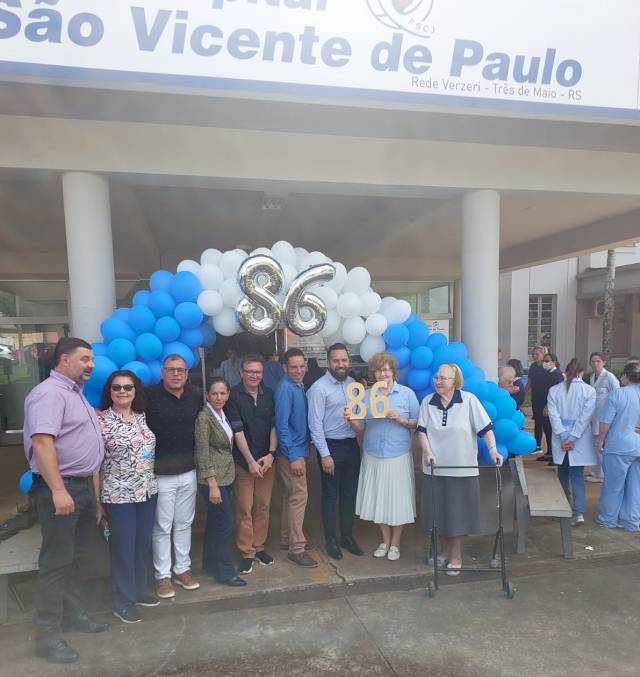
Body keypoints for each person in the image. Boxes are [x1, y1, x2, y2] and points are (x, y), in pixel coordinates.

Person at [23, 337, 108, 664]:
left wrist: (93, 497)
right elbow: (43, 443)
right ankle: (47, 637)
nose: (91, 365)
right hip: (61, 488)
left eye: (92, 360)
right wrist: (59, 490)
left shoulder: (74, 394)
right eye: (85, 359)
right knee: (56, 563)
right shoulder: (48, 394)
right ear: (63, 359)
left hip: (83, 488)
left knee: (75, 558)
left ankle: (73, 616)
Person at [417, 363, 501, 576]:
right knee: (439, 513)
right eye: (437, 377)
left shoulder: (469, 400)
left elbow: (486, 429)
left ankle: (456, 554)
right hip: (435, 469)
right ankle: (444, 549)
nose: (438, 381)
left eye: (443, 378)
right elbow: (422, 432)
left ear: (455, 382)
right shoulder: (427, 402)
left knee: (457, 515)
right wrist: (427, 452)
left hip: (461, 469)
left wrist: (493, 450)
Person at [98, 370, 159, 623]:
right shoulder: (101, 422)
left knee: (142, 544)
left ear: (135, 391)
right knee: (123, 548)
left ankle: (139, 590)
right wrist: (98, 503)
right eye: (116, 388)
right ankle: (122, 601)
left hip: (146, 492)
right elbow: (96, 465)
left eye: (127, 387)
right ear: (109, 392)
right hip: (117, 495)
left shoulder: (141, 418)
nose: (122, 391)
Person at [348, 352, 419, 561]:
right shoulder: (366, 395)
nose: (381, 374)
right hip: (373, 454)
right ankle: (385, 540)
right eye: (378, 370)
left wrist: (401, 419)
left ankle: (395, 543)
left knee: (398, 500)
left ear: (393, 372)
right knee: (379, 499)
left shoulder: (407, 394)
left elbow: (418, 424)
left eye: (386, 370)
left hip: (397, 454)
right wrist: (350, 420)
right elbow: (360, 428)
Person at [146, 354, 202, 600]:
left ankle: (182, 569)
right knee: (162, 527)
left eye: (180, 370)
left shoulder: (196, 396)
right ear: (162, 372)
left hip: (188, 470)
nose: (176, 374)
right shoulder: (149, 397)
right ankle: (162, 576)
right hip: (161, 473)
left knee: (184, 523)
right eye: (171, 370)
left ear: (187, 374)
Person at [308, 343, 364, 560]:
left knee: (349, 494)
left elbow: (360, 417)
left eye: (344, 360)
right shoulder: (318, 388)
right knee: (331, 496)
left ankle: (347, 537)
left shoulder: (354, 386)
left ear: (348, 362)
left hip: (351, 446)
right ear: (328, 362)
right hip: (330, 447)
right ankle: (331, 540)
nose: (340, 365)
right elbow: (315, 424)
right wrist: (325, 455)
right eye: (336, 361)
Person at [225, 354, 278, 574]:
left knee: (263, 506)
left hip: (266, 460)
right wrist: (249, 461)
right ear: (241, 373)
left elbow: (274, 426)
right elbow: (237, 431)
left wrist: (271, 455)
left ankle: (259, 546)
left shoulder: (269, 394)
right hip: (243, 461)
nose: (254, 376)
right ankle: (247, 552)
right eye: (250, 372)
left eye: (258, 372)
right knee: (244, 508)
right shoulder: (233, 396)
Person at [194, 378, 246, 587]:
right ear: (207, 395)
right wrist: (212, 483)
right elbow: (202, 451)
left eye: (223, 393)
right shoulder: (204, 417)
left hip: (226, 475)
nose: (219, 397)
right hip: (212, 480)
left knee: (216, 523)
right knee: (225, 524)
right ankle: (225, 572)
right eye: (214, 393)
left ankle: (210, 564)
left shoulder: (222, 414)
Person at [274, 348, 317, 568]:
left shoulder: (298, 386)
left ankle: (286, 538)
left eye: (302, 366)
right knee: (299, 497)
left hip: (298, 450)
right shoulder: (285, 389)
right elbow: (281, 426)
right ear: (285, 368)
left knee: (290, 496)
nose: (299, 370)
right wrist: (293, 457)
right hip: (292, 453)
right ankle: (296, 548)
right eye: (294, 367)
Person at [546, 359, 597, 526]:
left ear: (566, 373)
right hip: (579, 440)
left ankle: (562, 508)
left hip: (561, 438)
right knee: (577, 476)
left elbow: (553, 416)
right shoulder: (589, 391)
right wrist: (573, 437)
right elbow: (585, 417)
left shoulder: (554, 390)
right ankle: (578, 513)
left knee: (562, 472)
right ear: (581, 373)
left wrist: (563, 436)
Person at [596, 361, 640, 532]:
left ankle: (608, 519)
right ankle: (632, 521)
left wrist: (601, 441)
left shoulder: (618, 394)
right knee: (636, 486)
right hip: (637, 446)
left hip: (619, 446)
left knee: (613, 486)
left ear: (626, 376)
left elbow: (605, 422)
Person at [586, 352, 619, 483]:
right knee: (595, 445)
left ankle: (602, 474)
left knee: (602, 445)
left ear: (604, 362)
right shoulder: (592, 377)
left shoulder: (609, 377)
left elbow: (617, 397)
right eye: (593, 361)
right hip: (594, 417)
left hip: (606, 418)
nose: (595, 364)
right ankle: (597, 472)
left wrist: (614, 417)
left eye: (598, 361)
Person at [534, 351, 564, 462]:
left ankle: (554, 454)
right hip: (542, 404)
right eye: (543, 361)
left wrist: (548, 406)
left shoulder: (557, 374)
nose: (544, 363)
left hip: (551, 407)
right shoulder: (546, 373)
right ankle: (550, 452)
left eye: (547, 361)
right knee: (547, 430)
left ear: (554, 362)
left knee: (551, 430)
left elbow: (557, 393)